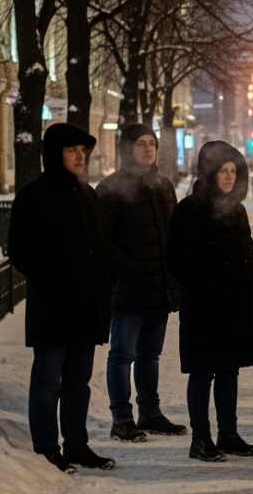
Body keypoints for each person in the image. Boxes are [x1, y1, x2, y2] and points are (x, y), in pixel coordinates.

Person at [8, 122, 116, 474]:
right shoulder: (33, 195)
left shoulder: (86, 194)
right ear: (56, 154)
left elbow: (98, 248)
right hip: (54, 308)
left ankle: (77, 445)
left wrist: (106, 278)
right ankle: (45, 448)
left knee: (78, 384)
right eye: (72, 150)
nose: (80, 156)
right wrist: (58, 279)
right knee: (47, 383)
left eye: (83, 150)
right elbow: (21, 251)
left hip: (86, 307)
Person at [167, 141, 253, 462]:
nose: (228, 176)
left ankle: (228, 433)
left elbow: (247, 249)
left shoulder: (235, 208)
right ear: (209, 173)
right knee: (202, 372)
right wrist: (206, 289)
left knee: (229, 370)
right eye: (222, 171)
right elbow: (178, 259)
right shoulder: (190, 208)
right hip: (205, 306)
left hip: (236, 304)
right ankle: (200, 439)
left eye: (233, 171)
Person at [96, 124, 185, 443]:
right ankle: (121, 418)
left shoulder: (163, 185)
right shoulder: (111, 188)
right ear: (126, 149)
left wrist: (174, 276)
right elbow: (100, 239)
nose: (148, 150)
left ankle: (149, 412)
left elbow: (173, 234)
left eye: (152, 144)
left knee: (150, 355)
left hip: (159, 286)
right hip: (128, 287)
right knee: (122, 354)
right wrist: (126, 268)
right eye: (140, 144)